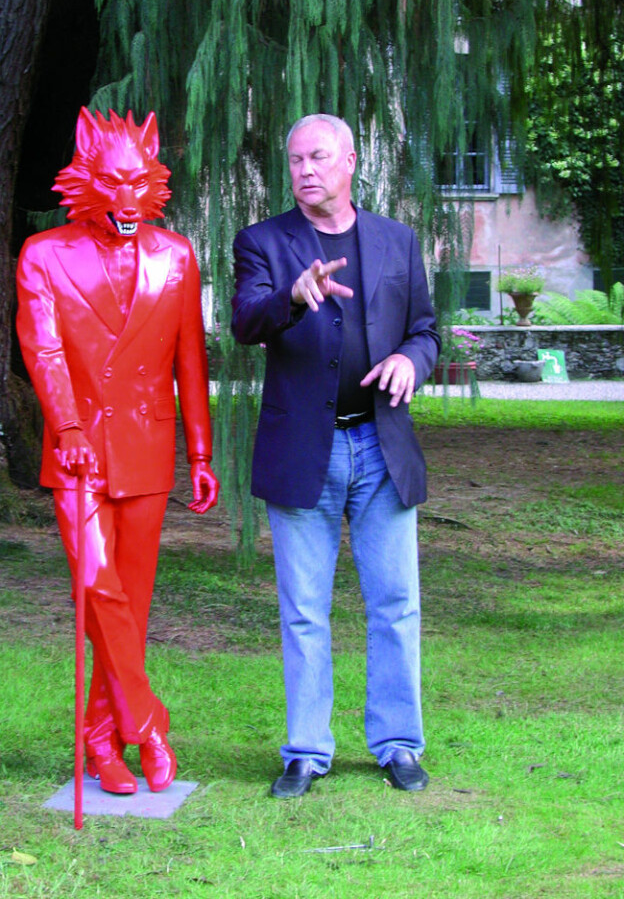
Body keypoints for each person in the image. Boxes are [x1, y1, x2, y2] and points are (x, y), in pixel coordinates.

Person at [231, 113, 440, 797]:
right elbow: (244, 322)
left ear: (351, 160)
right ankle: (306, 752)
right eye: (294, 161)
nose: (304, 170)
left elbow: (426, 331)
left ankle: (398, 744)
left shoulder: (396, 241)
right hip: (303, 453)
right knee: (303, 609)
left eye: (317, 157)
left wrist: (413, 359)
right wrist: (294, 294)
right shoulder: (263, 242)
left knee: (395, 603)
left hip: (382, 447)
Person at [16, 107, 219, 795]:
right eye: (114, 184)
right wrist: (68, 429)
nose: (128, 200)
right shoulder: (43, 255)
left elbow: (191, 357)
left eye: (140, 184)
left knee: (129, 601)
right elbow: (41, 348)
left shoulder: (178, 255)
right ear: (85, 176)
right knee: (99, 588)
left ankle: (101, 742)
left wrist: (200, 452)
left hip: (150, 444)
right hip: (78, 451)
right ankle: (149, 725)